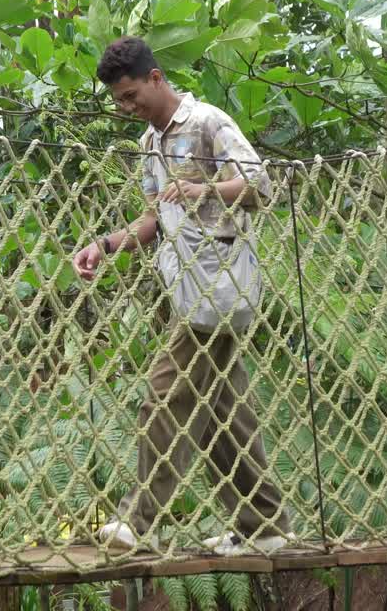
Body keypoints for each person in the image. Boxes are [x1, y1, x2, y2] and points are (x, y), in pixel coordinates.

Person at [71, 36, 294, 555]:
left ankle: (137, 520)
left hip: (221, 283)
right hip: (186, 286)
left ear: (155, 79)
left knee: (164, 395)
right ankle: (267, 525)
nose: (127, 109)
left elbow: (262, 184)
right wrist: (105, 246)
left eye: (131, 96)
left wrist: (206, 189)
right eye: (118, 102)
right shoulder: (150, 143)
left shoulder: (207, 122)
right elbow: (154, 218)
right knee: (221, 414)